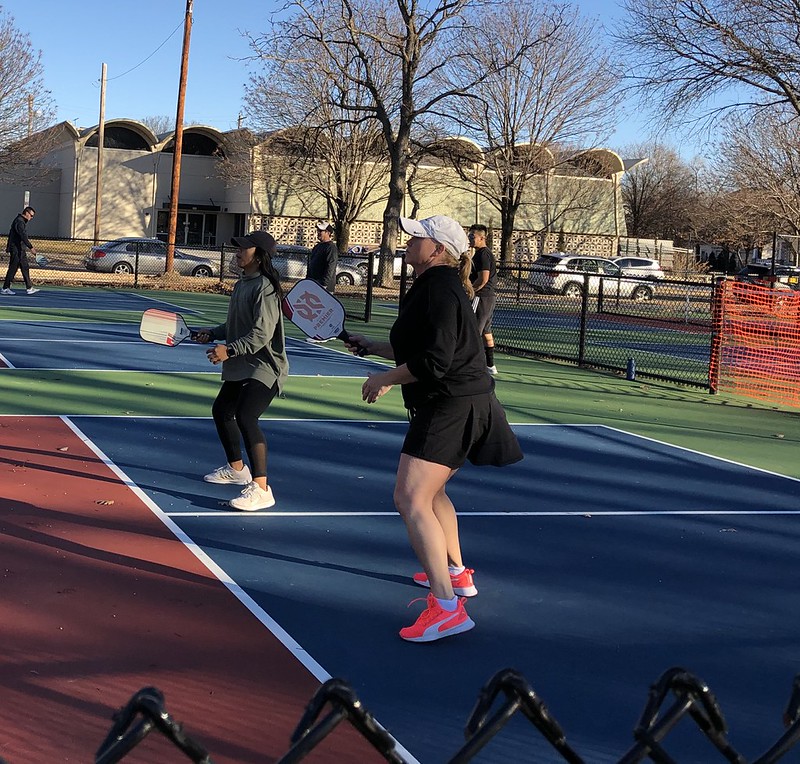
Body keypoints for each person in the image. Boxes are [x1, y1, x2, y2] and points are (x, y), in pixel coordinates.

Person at [345, 215, 523, 643]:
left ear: (438, 250)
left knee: (410, 498)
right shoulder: (436, 285)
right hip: (464, 403)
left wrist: (385, 379)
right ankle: (456, 575)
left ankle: (446, 610)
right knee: (434, 492)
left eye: (418, 237)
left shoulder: (440, 289)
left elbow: (435, 361)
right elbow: (425, 347)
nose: (409, 241)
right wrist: (374, 347)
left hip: (450, 408)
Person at [195, 230, 288, 512]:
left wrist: (230, 350)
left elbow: (261, 334)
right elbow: (236, 325)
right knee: (222, 411)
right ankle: (237, 470)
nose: (237, 252)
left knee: (247, 416)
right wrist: (213, 333)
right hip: (242, 364)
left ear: (258, 256)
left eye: (243, 249)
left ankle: (262, 489)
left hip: (264, 367)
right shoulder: (242, 284)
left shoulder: (266, 288)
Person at [468, 224, 497, 374]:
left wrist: (471, 291)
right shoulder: (479, 254)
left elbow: (483, 279)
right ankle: (490, 365)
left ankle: (473, 365)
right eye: (469, 235)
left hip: (481, 297)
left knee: (473, 331)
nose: (470, 238)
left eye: (472, 236)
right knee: (486, 331)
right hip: (488, 298)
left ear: (482, 238)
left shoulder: (483, 255)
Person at [2, 206, 40, 295]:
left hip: (21, 249)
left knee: (25, 267)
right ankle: (5, 288)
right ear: (26, 213)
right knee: (13, 268)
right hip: (16, 249)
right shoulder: (19, 222)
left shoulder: (21, 221)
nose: (31, 218)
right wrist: (31, 247)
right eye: (31, 215)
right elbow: (23, 236)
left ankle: (29, 288)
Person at [308, 221, 338, 293]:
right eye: (318, 231)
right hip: (313, 284)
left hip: (324, 288)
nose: (318, 233)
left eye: (321, 231)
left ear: (328, 233)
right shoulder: (317, 247)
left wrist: (324, 284)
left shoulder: (331, 248)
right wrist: (308, 281)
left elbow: (330, 266)